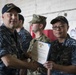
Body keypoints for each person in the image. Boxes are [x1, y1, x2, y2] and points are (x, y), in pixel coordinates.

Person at [0, 3, 38, 75]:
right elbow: (8, 61)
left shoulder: (16, 34)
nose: (14, 17)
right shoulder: (1, 33)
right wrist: (30, 66)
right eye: (10, 14)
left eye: (16, 15)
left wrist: (28, 55)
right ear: (3, 16)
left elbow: (19, 54)